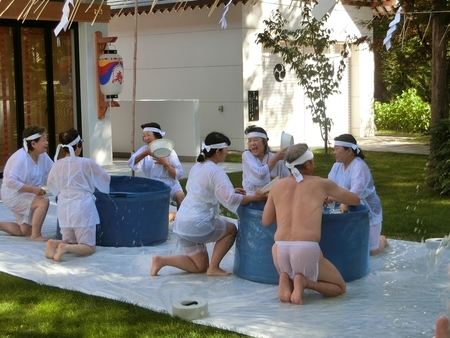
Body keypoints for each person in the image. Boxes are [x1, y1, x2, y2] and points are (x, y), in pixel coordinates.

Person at [151, 131, 267, 277]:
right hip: (198, 223)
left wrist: (230, 190)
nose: (227, 153)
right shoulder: (216, 170)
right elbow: (229, 199)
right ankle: (214, 267)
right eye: (226, 150)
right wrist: (254, 198)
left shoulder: (197, 166)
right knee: (231, 229)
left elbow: (206, 191)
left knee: (199, 266)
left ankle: (161, 261)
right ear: (218, 151)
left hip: (182, 223)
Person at [262, 143, 360, 305]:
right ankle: (306, 282)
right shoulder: (321, 184)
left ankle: (285, 278)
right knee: (339, 287)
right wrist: (326, 197)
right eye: (313, 161)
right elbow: (354, 199)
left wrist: (285, 210)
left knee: (288, 267)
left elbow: (266, 220)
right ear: (307, 164)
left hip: (279, 250)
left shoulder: (277, 186)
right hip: (306, 250)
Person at [45, 128, 110, 261]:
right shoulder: (86, 163)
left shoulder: (57, 164)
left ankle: (55, 243)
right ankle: (65, 248)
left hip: (64, 206)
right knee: (89, 246)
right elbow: (105, 178)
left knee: (68, 239)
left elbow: (51, 184)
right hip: (82, 206)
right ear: (79, 145)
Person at [325, 133, 388, 256]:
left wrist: (342, 201)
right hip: (346, 204)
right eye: (334, 149)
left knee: (371, 251)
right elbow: (329, 184)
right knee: (350, 246)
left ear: (349, 151)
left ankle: (383, 240)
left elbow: (356, 191)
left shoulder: (359, 166)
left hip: (368, 208)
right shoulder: (336, 166)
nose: (334, 152)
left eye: (337, 149)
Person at [0, 125, 53, 241]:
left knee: (24, 231)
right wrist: (33, 190)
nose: (47, 142)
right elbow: (10, 182)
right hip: (13, 194)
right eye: (44, 140)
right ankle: (36, 236)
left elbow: (53, 171)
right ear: (33, 144)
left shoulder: (43, 156)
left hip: (25, 194)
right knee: (43, 202)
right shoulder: (20, 158)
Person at [128, 122, 184, 220]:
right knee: (156, 209)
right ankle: (167, 218)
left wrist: (165, 163)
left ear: (157, 136)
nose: (146, 138)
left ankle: (181, 222)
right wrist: (145, 153)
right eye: (144, 136)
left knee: (181, 197)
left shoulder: (169, 150)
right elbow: (131, 162)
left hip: (171, 183)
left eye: (148, 135)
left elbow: (178, 174)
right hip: (154, 183)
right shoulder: (145, 149)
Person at [242, 125, 290, 195]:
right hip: (252, 201)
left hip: (273, 199)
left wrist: (278, 182)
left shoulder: (278, 160)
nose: (252, 143)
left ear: (264, 142)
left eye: (255, 140)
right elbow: (259, 175)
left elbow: (289, 180)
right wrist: (276, 158)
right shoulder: (247, 155)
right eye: (249, 140)